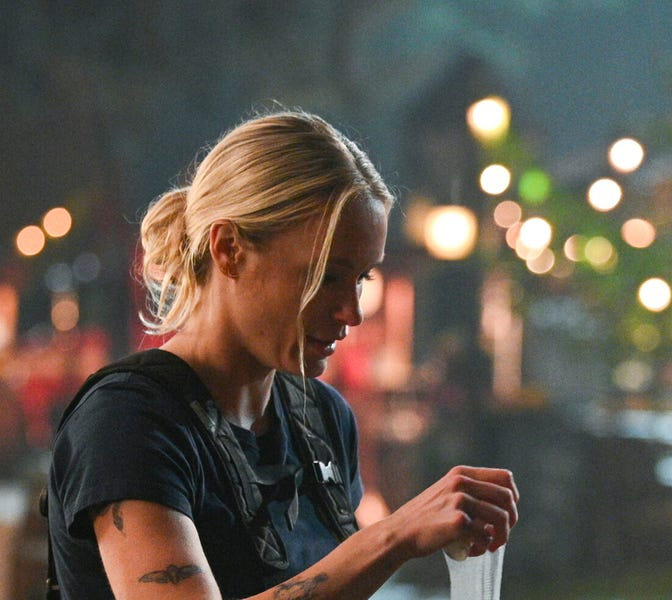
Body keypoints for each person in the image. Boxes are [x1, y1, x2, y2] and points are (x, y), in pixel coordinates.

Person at [47, 111, 519, 599]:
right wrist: (391, 537)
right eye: (324, 276)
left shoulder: (323, 418)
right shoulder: (129, 420)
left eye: (361, 278)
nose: (352, 312)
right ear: (229, 248)